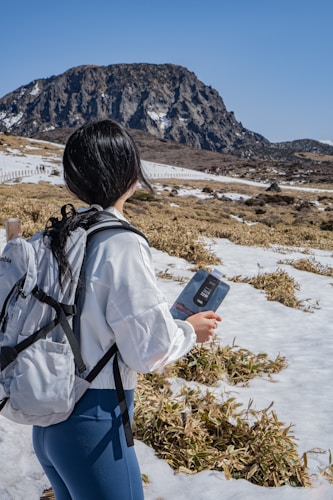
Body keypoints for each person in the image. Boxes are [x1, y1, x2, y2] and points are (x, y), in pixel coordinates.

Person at [32, 119, 222, 500]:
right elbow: (147, 352)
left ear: (74, 179)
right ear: (130, 173)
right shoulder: (120, 242)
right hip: (95, 424)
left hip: (47, 421)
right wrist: (189, 331)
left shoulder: (61, 234)